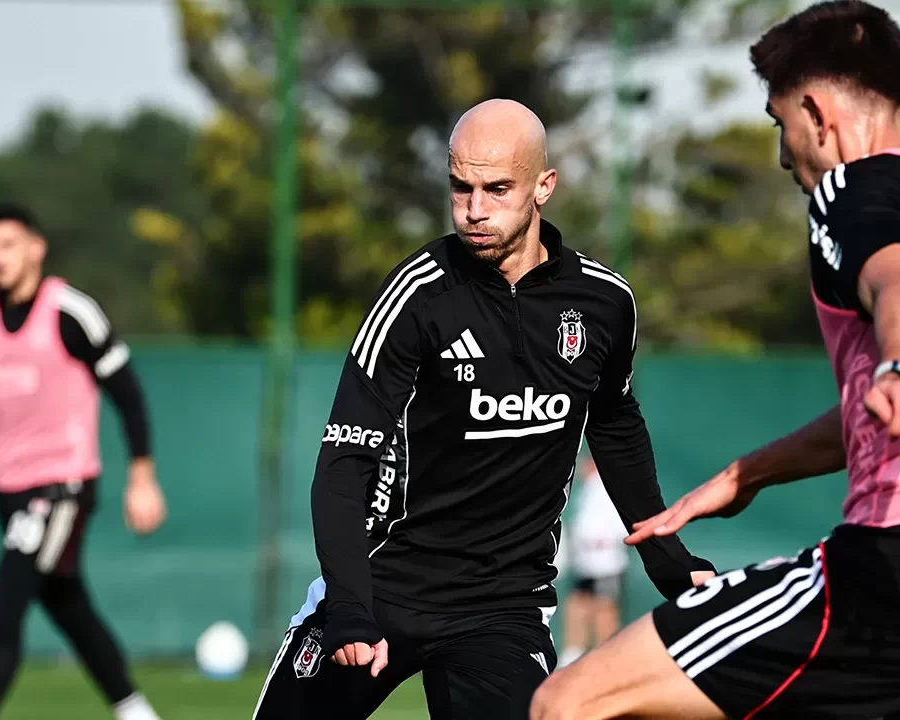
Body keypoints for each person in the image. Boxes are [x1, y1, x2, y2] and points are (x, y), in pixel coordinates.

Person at [531, 2, 900, 719]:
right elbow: (881, 406)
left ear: (816, 113)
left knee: (571, 699)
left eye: (778, 123)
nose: (785, 156)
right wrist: (746, 474)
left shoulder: (856, 186)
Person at [251, 99, 716, 720]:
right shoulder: (417, 296)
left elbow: (615, 427)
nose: (474, 209)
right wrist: (349, 606)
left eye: (497, 189)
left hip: (504, 608)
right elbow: (344, 462)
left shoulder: (604, 303)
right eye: (460, 187)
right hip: (383, 585)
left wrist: (669, 563)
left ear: (543, 187)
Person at [0, 202, 169, 720]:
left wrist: (142, 476)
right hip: (8, 489)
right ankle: (134, 710)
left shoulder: (71, 314)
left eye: (8, 245)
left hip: (62, 487)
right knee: (65, 602)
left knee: (6, 599)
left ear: (36, 249)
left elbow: (128, 395)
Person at [558, 454, 630, 668]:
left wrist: (607, 541)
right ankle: (573, 654)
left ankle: (606, 657)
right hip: (585, 563)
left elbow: (622, 522)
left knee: (604, 608)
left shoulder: (609, 487)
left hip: (607, 563)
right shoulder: (587, 489)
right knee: (577, 603)